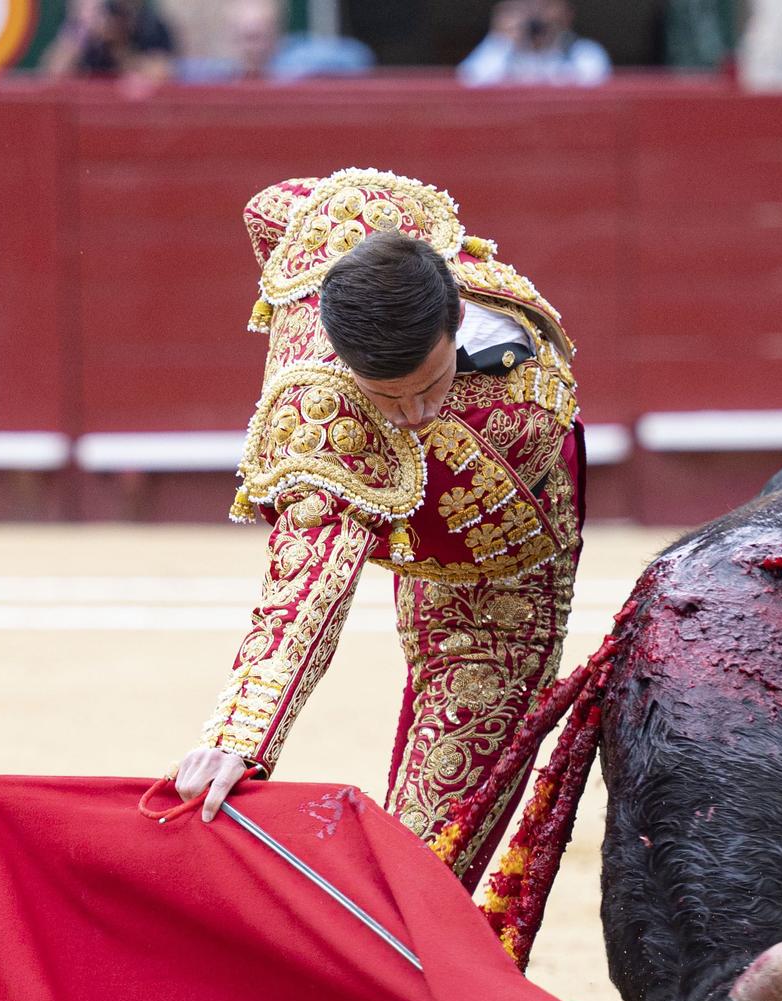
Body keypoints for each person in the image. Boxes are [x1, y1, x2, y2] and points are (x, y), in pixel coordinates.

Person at [173, 171, 585, 888]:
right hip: (442, 540)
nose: (412, 415)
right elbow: (307, 587)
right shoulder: (332, 428)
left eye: (429, 385)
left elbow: (273, 204)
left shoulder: (359, 230)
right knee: (415, 886)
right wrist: (238, 738)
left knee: (425, 871)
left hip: (500, 590)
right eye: (385, 397)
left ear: (454, 314)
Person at [177, 0, 374, 82]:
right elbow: (180, 70)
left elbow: (359, 57)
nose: (251, 48)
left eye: (258, 37)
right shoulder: (223, 72)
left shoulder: (294, 60)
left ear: (275, 34)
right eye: (244, 38)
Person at [459, 0, 611, 86]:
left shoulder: (585, 53)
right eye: (528, 6)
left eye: (547, 6)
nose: (537, 14)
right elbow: (470, 81)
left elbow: (596, 88)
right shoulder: (502, 50)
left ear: (567, 14)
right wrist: (501, 40)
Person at [41, 0, 179, 86]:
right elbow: (52, 75)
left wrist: (119, 47)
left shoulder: (150, 25)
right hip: (89, 110)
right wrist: (81, 30)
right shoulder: (88, 32)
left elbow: (163, 73)